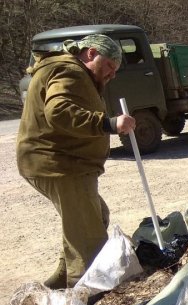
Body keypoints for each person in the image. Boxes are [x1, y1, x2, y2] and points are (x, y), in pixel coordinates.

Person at [16, 34, 136, 289]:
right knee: (88, 238)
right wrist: (109, 124)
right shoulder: (70, 72)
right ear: (91, 54)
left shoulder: (70, 70)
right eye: (109, 67)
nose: (111, 74)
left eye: (115, 70)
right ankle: (86, 293)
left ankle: (61, 279)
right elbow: (59, 112)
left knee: (92, 217)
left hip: (59, 163)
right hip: (59, 164)